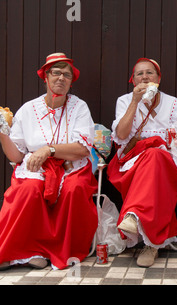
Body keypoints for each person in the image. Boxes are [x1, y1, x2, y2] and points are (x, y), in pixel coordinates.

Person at [0, 53, 98, 270]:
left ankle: (59, 251)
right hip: (36, 169)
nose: (61, 78)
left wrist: (49, 150)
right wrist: (2, 133)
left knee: (73, 190)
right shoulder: (28, 110)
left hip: (71, 167)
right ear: (45, 77)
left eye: (67, 74)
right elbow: (16, 157)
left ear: (71, 81)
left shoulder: (79, 107)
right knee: (29, 189)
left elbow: (82, 149)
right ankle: (27, 251)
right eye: (56, 73)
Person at [107, 58, 177, 268]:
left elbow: (176, 141)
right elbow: (122, 134)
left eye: (149, 73)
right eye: (139, 74)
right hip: (131, 161)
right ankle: (152, 244)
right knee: (151, 159)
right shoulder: (124, 101)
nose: (145, 77)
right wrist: (135, 102)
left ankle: (134, 216)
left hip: (166, 162)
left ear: (158, 78)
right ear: (133, 80)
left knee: (154, 156)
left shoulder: (175, 104)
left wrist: (154, 142)